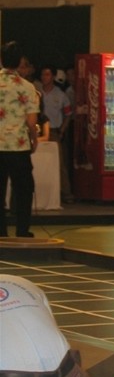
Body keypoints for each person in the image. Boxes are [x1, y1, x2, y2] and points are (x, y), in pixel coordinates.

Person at [0, 41, 39, 238]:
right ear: (19, 62)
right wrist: (34, 140)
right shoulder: (27, 87)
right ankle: (22, 231)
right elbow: (31, 122)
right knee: (23, 190)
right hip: (19, 146)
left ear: (1, 60)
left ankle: (1, 232)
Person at [36, 63, 74, 202]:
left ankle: (66, 192)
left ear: (52, 76)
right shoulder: (37, 92)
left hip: (53, 130)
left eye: (47, 74)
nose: (44, 77)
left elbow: (68, 113)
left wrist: (62, 130)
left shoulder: (60, 95)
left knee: (59, 162)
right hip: (38, 130)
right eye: (42, 74)